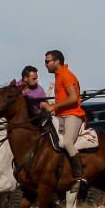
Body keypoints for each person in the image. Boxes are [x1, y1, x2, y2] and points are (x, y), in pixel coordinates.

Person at [40, 50, 88, 193]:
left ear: (57, 62)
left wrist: (53, 106)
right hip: (61, 115)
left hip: (73, 115)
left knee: (67, 142)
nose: (45, 65)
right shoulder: (58, 75)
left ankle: (80, 178)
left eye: (47, 61)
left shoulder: (65, 75)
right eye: (45, 62)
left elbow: (73, 98)